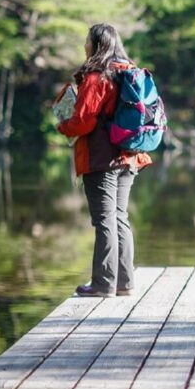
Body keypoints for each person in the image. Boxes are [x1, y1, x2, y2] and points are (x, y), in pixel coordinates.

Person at [58, 23, 152, 297]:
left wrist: (63, 125)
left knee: (104, 220)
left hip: (102, 160)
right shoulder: (128, 72)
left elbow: (83, 122)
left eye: (87, 40)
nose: (84, 45)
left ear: (96, 44)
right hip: (129, 157)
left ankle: (103, 284)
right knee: (120, 218)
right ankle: (124, 282)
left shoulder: (96, 77)